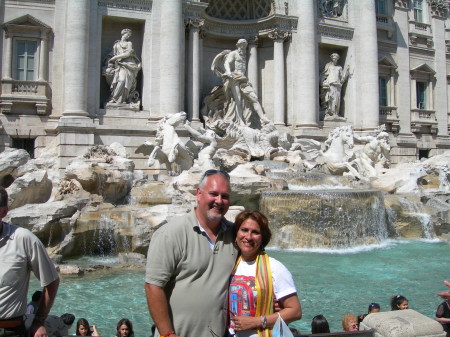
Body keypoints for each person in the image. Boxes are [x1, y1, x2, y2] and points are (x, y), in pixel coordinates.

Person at [145, 170, 238, 337]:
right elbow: (153, 287)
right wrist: (167, 334)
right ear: (198, 194)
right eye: (213, 194)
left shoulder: (235, 235)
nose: (219, 201)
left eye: (225, 196)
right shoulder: (170, 234)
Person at [228, 210, 301, 337]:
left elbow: (295, 311)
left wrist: (256, 321)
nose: (248, 237)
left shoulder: (276, 268)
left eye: (255, 232)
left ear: (263, 238)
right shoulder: (228, 264)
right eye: (244, 230)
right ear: (236, 233)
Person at [0, 186, 60, 337]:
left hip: (9, 331)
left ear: (4, 212)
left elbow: (51, 280)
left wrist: (39, 321)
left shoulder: (23, 239)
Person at [212, 39, 270, 127]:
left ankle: (262, 118)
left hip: (243, 79)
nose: (243, 47)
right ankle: (240, 121)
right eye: (241, 45)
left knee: (254, 98)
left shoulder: (244, 55)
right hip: (234, 77)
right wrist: (228, 72)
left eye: (244, 46)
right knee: (238, 100)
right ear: (237, 45)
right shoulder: (234, 53)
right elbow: (226, 63)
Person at [104, 28, 141, 105]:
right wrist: (110, 62)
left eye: (129, 35)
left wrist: (115, 58)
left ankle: (121, 99)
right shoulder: (116, 44)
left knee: (123, 80)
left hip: (128, 65)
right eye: (128, 34)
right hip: (118, 66)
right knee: (120, 80)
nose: (128, 36)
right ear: (123, 34)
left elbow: (127, 54)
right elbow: (112, 54)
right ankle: (115, 98)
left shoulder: (129, 43)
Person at [320, 52, 349, 119]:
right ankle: (329, 113)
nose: (335, 59)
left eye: (336, 58)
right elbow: (324, 75)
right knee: (330, 99)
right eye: (334, 58)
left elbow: (342, 78)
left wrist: (346, 71)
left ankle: (336, 114)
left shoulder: (339, 67)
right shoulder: (328, 66)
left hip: (337, 85)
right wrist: (323, 82)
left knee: (337, 100)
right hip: (330, 84)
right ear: (332, 58)